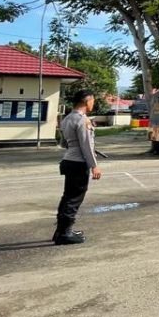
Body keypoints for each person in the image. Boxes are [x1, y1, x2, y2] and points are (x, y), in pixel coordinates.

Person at [53, 90, 101, 245]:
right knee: (74, 198)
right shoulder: (83, 120)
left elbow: (64, 143)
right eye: (92, 100)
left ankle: (61, 230)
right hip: (78, 163)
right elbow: (86, 145)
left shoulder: (67, 118)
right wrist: (94, 165)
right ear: (87, 101)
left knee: (67, 197)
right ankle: (64, 234)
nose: (93, 103)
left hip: (68, 160)